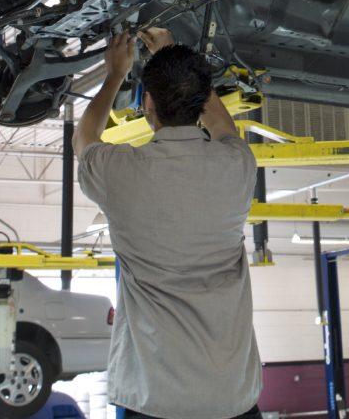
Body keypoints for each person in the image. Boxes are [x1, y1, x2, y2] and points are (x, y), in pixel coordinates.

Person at [72, 28, 263, 419]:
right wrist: (176, 59)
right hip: (233, 399)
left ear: (147, 104)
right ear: (200, 101)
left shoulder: (120, 172)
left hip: (157, 401)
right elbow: (223, 127)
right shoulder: (237, 165)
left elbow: (84, 138)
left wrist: (115, 74)